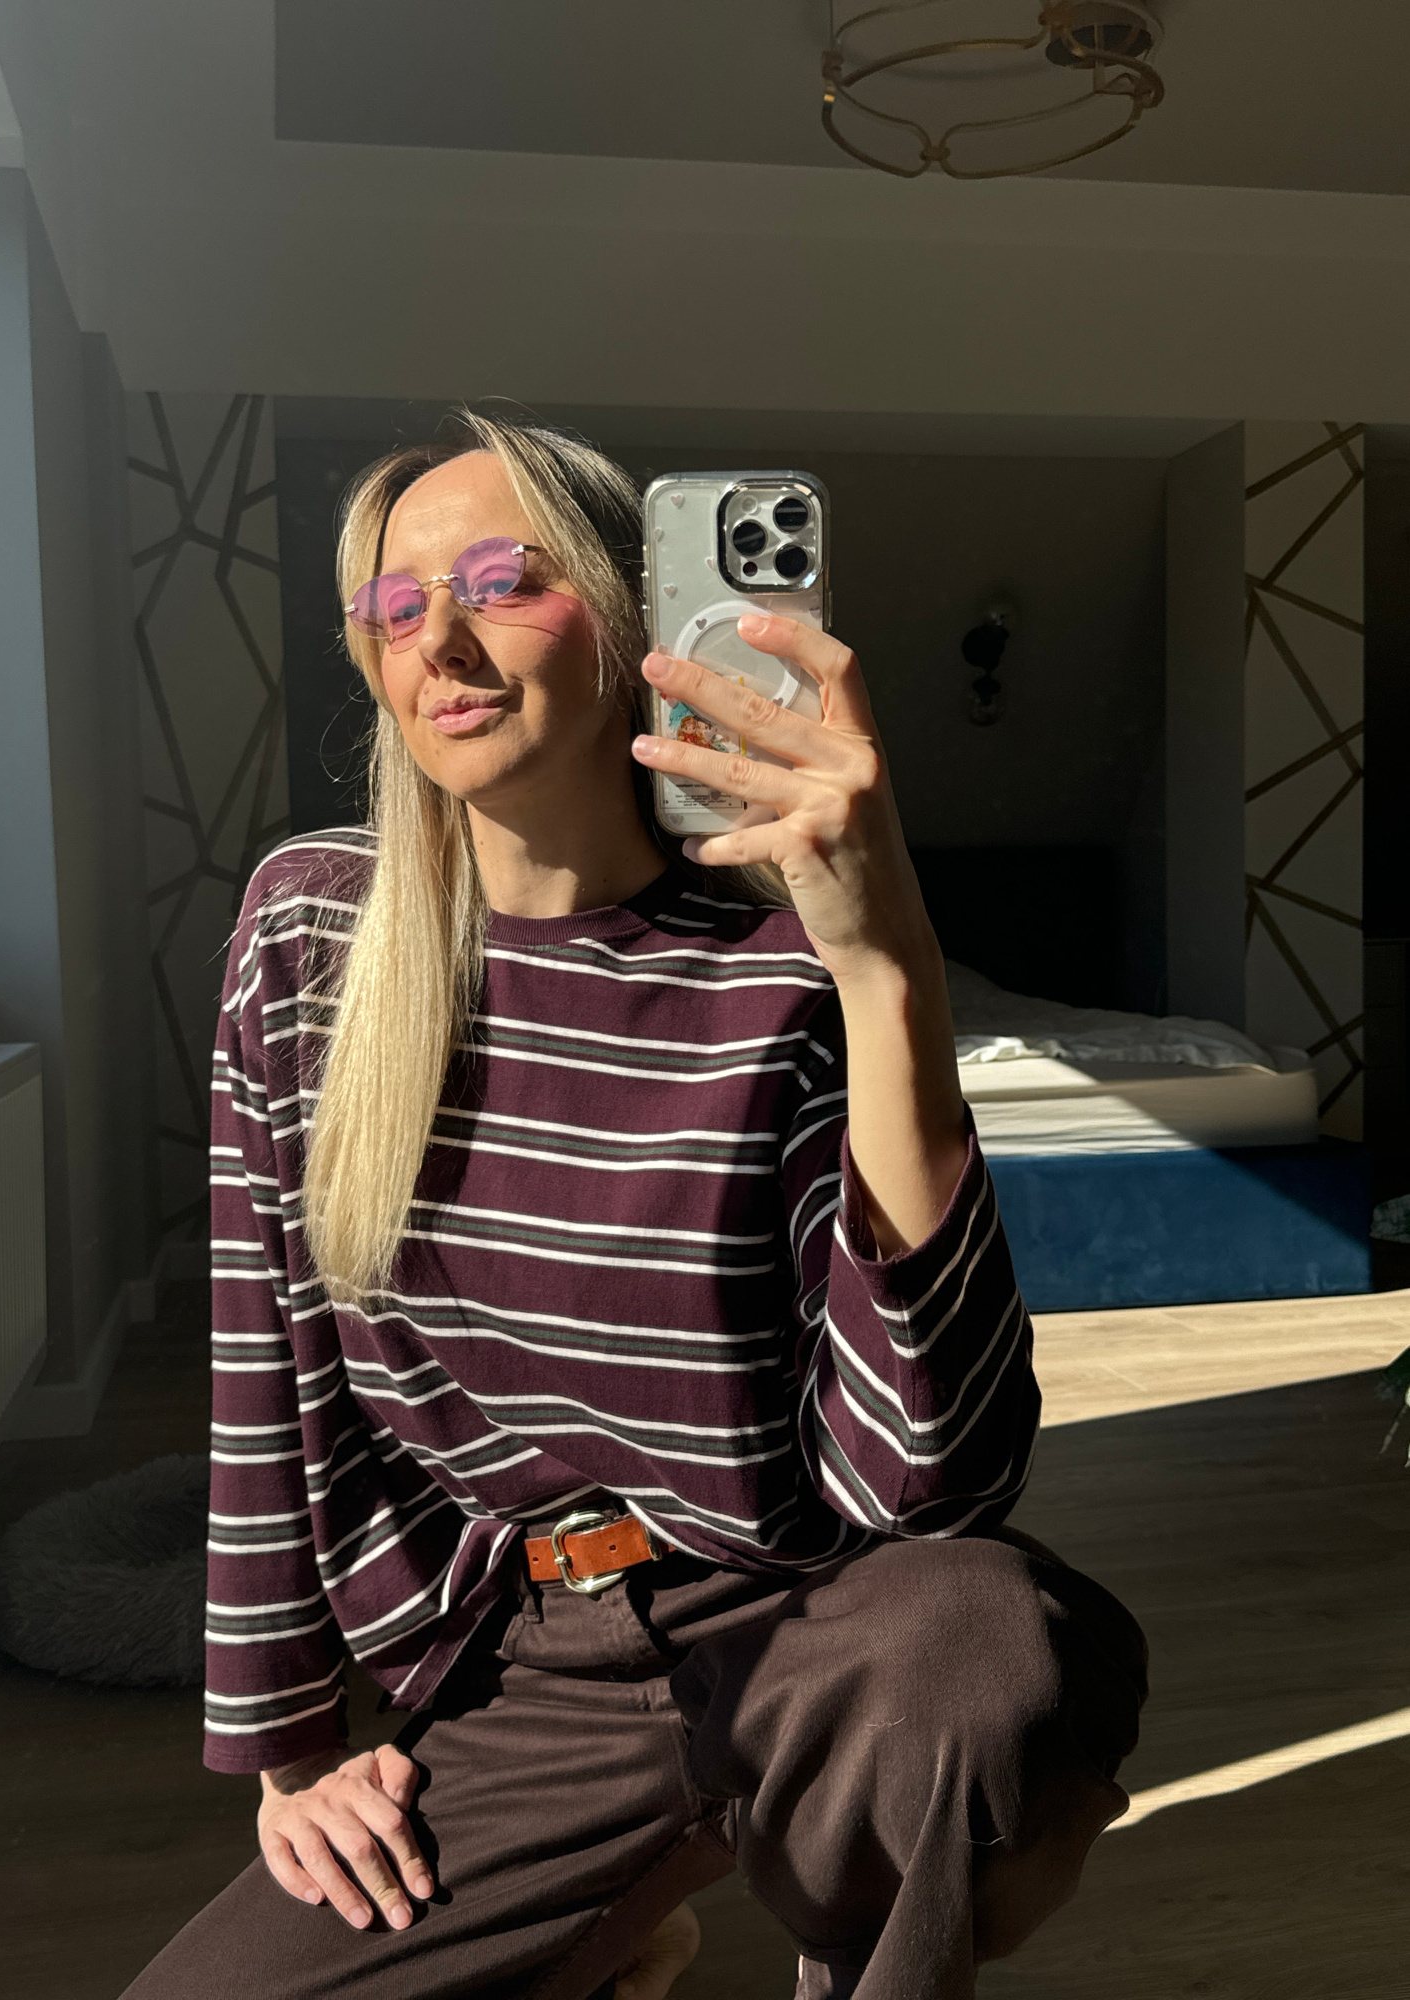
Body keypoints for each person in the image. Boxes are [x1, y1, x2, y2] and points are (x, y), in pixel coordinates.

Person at [122, 413, 1146, 2000]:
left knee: (978, 1658)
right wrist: (291, 1747)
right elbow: (267, 1361)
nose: (437, 641)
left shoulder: (784, 966)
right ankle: (625, 1923)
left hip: (813, 1623)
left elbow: (928, 1478)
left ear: (635, 617)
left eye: (500, 581)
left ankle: (797, 1875)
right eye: (392, 605)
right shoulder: (310, 937)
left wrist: (889, 967)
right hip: (530, 1656)